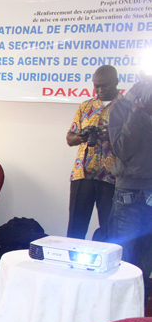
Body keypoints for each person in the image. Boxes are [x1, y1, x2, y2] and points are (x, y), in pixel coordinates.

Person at [108, 76, 152, 299]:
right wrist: (136, 114)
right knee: (124, 253)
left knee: (147, 253)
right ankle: (119, 307)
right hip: (129, 191)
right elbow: (123, 150)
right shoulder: (121, 109)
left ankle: (140, 307)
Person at [65, 65, 120, 240]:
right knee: (75, 228)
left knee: (110, 230)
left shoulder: (127, 108)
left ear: (116, 82)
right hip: (83, 174)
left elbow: (133, 142)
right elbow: (69, 138)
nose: (100, 90)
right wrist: (84, 135)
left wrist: (110, 136)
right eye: (96, 86)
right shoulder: (85, 106)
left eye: (105, 85)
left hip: (111, 177)